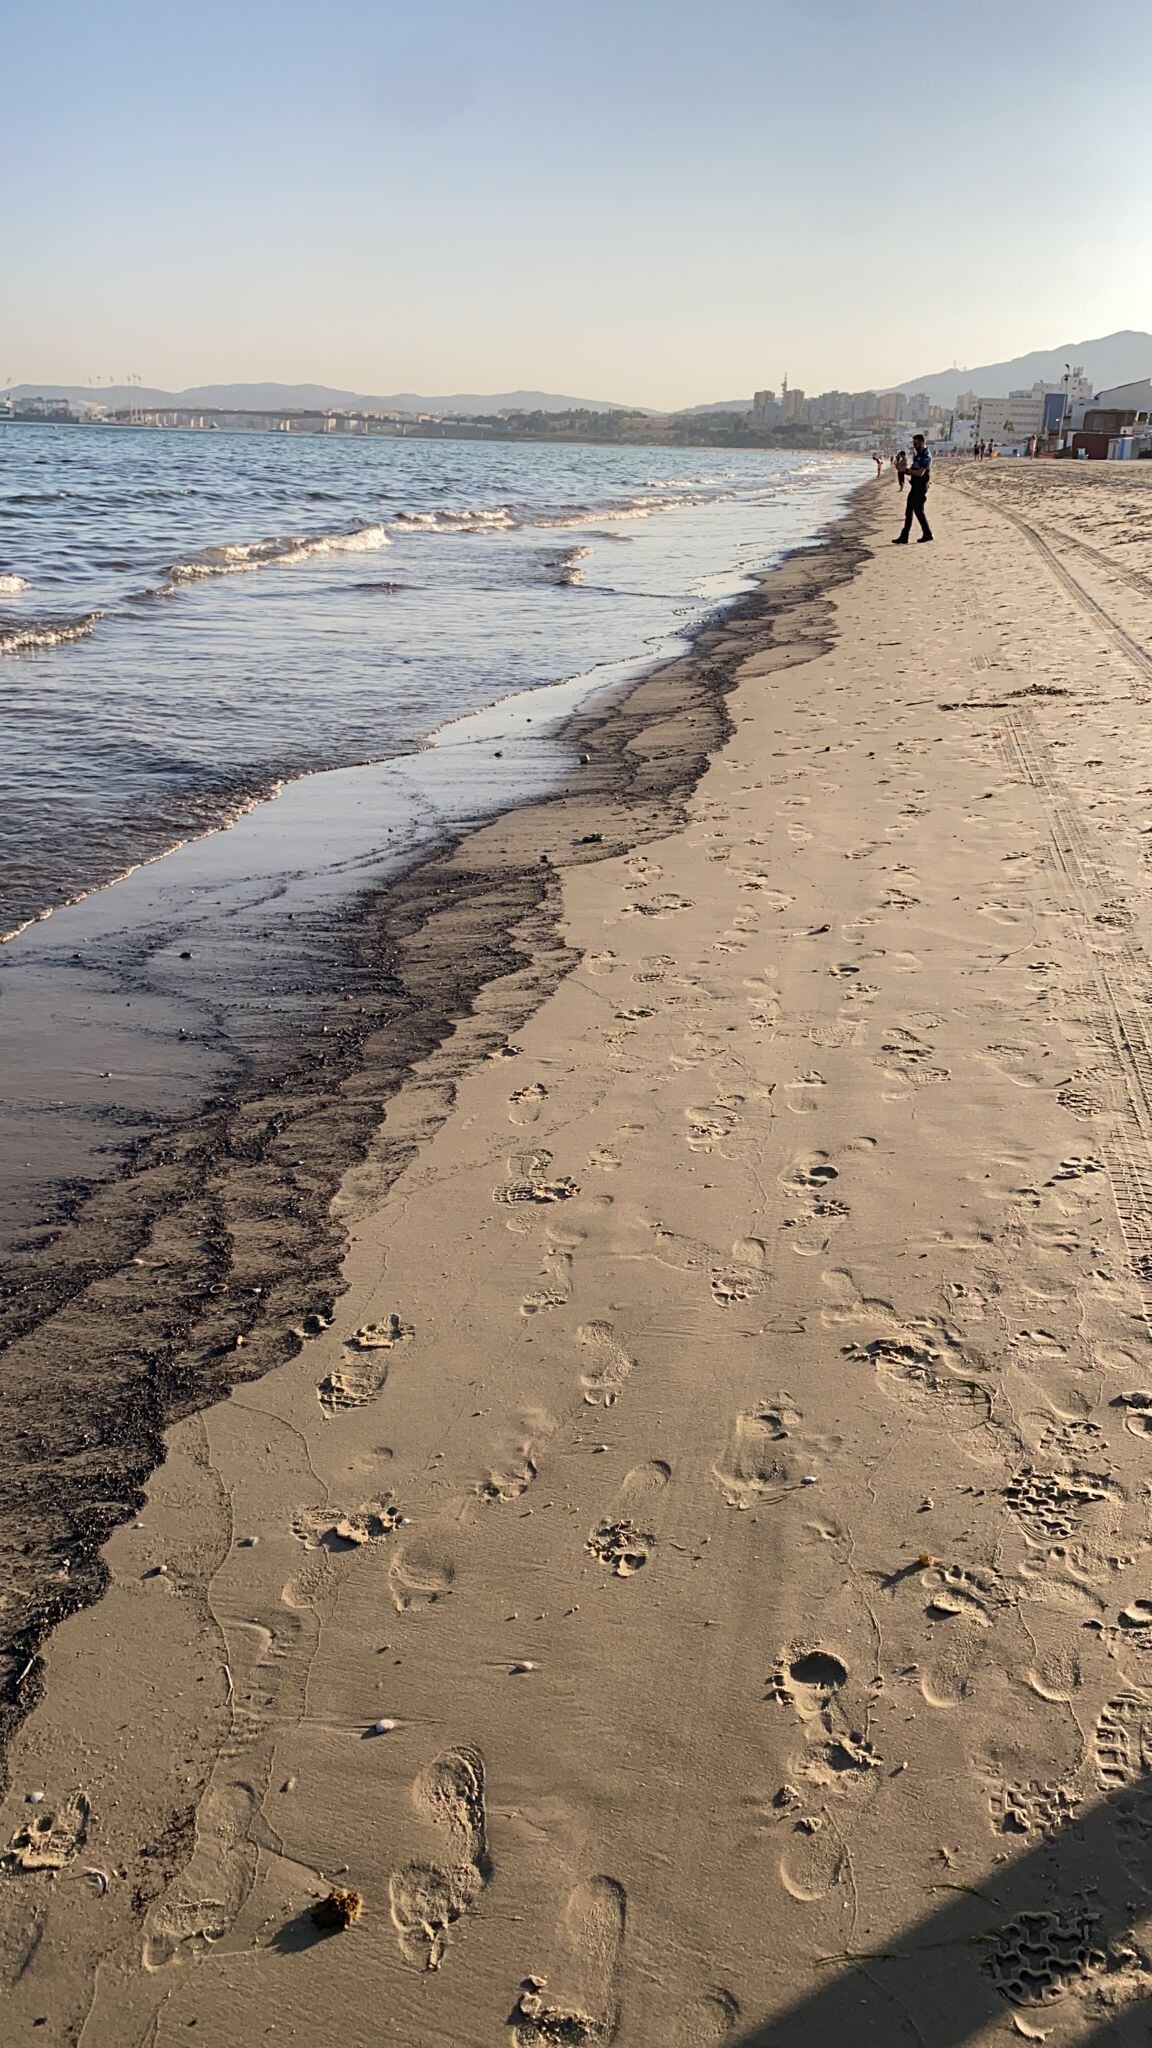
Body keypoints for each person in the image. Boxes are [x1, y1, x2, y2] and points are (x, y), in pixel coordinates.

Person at [892, 433, 933, 543]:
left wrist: (905, 471)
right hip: (915, 485)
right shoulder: (918, 454)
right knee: (909, 510)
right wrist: (904, 470)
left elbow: (920, 472)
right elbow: (914, 470)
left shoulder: (926, 455)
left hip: (920, 486)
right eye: (913, 443)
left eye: (916, 443)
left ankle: (927, 534)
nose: (914, 445)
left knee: (918, 511)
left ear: (922, 442)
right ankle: (905, 536)